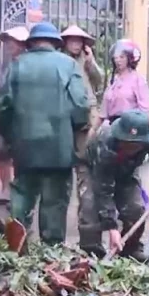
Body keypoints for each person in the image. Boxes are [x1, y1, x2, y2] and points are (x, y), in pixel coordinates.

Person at [0, 22, 91, 246]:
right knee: (54, 202)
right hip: (59, 148)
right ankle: (50, 253)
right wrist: (76, 128)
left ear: (31, 42)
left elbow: (0, 106)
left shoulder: (16, 65)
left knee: (22, 195)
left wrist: (9, 133)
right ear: (56, 42)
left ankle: (16, 245)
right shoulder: (68, 65)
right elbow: (81, 106)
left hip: (24, 147)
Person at [78, 110, 149, 261]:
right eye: (127, 143)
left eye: (136, 145)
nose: (131, 149)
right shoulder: (105, 143)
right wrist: (112, 227)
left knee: (135, 208)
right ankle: (92, 253)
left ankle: (130, 250)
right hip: (94, 169)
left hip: (126, 171)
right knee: (90, 207)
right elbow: (104, 190)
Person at [61, 24, 106, 244]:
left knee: (84, 165)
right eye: (72, 41)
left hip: (86, 118)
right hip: (65, 116)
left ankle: (86, 224)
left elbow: (99, 80)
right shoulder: (60, 60)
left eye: (79, 41)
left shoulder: (86, 62)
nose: (76, 44)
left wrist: (91, 62)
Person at [0, 26, 30, 201]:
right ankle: (5, 189)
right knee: (3, 154)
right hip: (6, 115)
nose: (8, 45)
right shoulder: (10, 63)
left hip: (18, 115)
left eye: (11, 42)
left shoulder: (24, 64)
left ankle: (17, 192)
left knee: (18, 155)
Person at [101, 39, 149, 123]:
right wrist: (93, 130)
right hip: (112, 125)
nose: (118, 60)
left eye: (122, 57)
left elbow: (145, 111)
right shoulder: (113, 80)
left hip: (131, 125)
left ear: (129, 58)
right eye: (116, 57)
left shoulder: (138, 79)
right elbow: (104, 109)